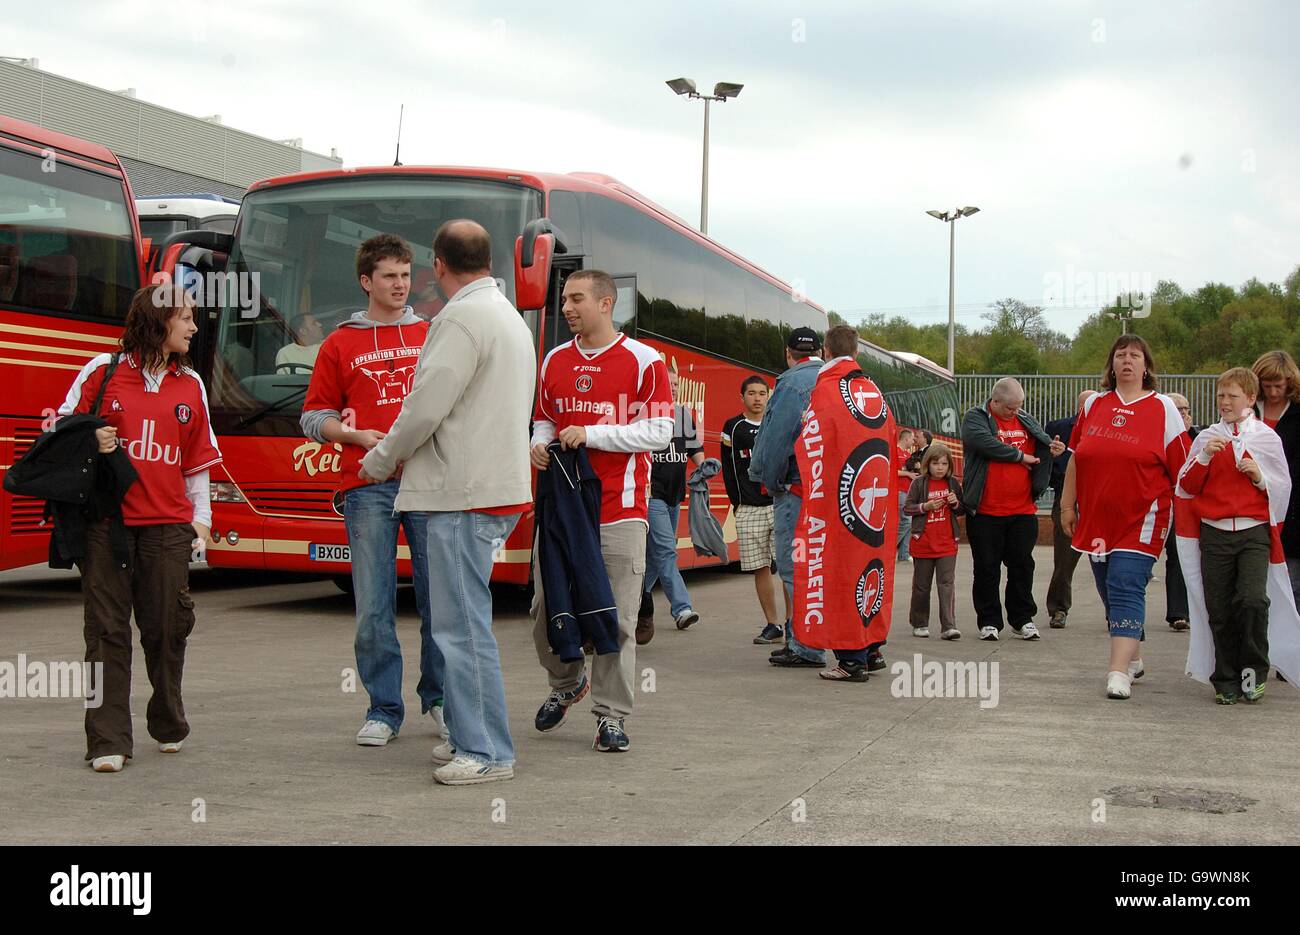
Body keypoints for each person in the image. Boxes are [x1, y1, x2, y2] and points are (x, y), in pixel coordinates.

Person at [360, 220, 535, 785]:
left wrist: (383, 457)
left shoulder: (458, 318)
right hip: (492, 488)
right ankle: (465, 732)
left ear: (438, 264)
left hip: (460, 491)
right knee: (463, 623)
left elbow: (425, 405)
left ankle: (486, 752)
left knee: (460, 629)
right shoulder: (507, 317)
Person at [58, 284, 221, 773]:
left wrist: (202, 520)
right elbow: (58, 433)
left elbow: (197, 461)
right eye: (185, 318)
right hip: (106, 525)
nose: (194, 327)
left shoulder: (190, 383)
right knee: (106, 631)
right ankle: (107, 740)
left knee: (168, 627)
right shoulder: (102, 372)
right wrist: (91, 434)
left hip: (169, 527)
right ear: (158, 322)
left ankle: (167, 718)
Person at [300, 234, 446, 749]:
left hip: (429, 482)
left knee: (440, 600)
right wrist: (352, 436)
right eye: (389, 276)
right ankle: (384, 709)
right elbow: (312, 417)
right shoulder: (339, 343)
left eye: (406, 275)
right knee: (374, 605)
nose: (401, 285)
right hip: (367, 485)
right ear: (367, 281)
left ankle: (439, 699)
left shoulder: (432, 333)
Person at [529, 269, 672, 753]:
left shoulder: (643, 361)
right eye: (564, 300)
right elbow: (545, 417)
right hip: (562, 509)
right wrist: (540, 442)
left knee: (619, 619)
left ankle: (611, 715)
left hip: (621, 508)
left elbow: (658, 432)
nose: (566, 308)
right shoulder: (553, 359)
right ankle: (567, 681)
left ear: (606, 303)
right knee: (544, 608)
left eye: (576, 299)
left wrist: (592, 434)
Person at [1060, 335, 1190, 699]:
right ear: (1111, 364)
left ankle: (1117, 672)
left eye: (1135, 356)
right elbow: (1077, 458)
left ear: (1146, 366)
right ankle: (1132, 656)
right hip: (1097, 517)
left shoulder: (1163, 408)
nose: (1127, 361)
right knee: (1107, 587)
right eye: (1120, 355)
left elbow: (1184, 467)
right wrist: (1067, 506)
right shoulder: (1094, 405)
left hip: (1145, 515)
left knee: (1124, 582)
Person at [1174, 368, 1291, 703]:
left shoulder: (1267, 439)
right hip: (1215, 534)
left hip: (1254, 532)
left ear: (1251, 399)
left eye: (1232, 395)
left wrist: (1259, 478)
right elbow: (1186, 487)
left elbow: (1282, 486)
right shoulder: (1205, 438)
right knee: (1220, 608)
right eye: (1221, 395)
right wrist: (1205, 456)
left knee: (1253, 600)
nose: (1224, 402)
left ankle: (1254, 668)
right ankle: (1224, 677)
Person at [790, 325, 897, 682]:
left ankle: (851, 660)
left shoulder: (825, 391)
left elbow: (810, 443)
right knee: (871, 571)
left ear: (824, 350)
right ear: (858, 353)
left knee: (837, 573)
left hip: (839, 507)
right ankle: (872, 648)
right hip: (873, 510)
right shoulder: (874, 392)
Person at [749, 327, 829, 669]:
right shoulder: (837, 381)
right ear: (821, 351)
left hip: (796, 491)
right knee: (824, 567)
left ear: (788, 353)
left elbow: (778, 439)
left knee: (795, 566)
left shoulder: (792, 383)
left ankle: (806, 646)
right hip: (832, 491)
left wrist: (768, 480)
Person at [960, 377, 1053, 641]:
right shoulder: (975, 418)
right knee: (987, 568)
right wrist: (1019, 456)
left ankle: (1022, 618)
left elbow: (1043, 444)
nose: (1015, 412)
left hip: (1022, 509)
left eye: (1019, 406)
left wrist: (1052, 449)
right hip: (986, 511)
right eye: (1010, 408)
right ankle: (989, 621)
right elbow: (985, 444)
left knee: (1023, 566)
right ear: (995, 401)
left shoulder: (1025, 419)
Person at [637, 370, 705, 643]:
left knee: (655, 556)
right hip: (652, 494)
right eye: (669, 384)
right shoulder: (644, 414)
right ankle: (682, 608)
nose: (674, 388)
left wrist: (705, 467)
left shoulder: (682, 414)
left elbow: (694, 450)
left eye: (677, 384)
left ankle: (634, 595)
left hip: (676, 495)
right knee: (666, 551)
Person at [721, 375, 787, 645]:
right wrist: (736, 504)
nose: (757, 398)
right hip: (749, 508)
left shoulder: (779, 423)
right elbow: (728, 469)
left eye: (762, 393)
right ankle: (773, 625)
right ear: (742, 397)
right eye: (752, 393)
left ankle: (794, 625)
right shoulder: (732, 428)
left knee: (787, 567)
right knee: (759, 567)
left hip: (778, 504)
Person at [1252, 350, 1300, 609]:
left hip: (1292, 513)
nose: (1272, 393)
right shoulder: (1248, 410)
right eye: (1266, 386)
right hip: (1252, 508)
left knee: (1292, 586)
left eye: (1278, 386)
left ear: (1290, 382)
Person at [904, 442, 965, 640]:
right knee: (922, 586)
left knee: (946, 584)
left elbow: (962, 509)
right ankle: (919, 622)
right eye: (936, 463)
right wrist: (925, 506)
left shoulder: (953, 483)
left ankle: (949, 625)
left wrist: (955, 503)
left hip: (947, 542)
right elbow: (907, 508)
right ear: (927, 464)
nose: (940, 467)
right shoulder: (919, 483)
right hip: (923, 542)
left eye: (944, 464)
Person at [1044, 391, 1094, 628]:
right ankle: (1058, 609)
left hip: (1100, 496)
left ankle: (1116, 611)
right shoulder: (1059, 427)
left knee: (1109, 560)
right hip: (1068, 496)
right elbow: (1049, 464)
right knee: (1064, 559)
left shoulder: (1109, 430)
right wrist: (1062, 455)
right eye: (1086, 405)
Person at [1162, 392, 1199, 631]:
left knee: (1188, 557)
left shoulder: (1201, 437)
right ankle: (1177, 613)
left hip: (1192, 505)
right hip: (1166, 504)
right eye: (1178, 410)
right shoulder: (1158, 437)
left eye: (1185, 409)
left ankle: (1188, 611)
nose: (1183, 414)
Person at [894, 428, 919, 562]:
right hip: (899, 490)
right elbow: (893, 471)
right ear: (906, 438)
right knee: (906, 520)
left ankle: (904, 553)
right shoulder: (895, 451)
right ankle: (891, 546)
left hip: (908, 491)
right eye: (912, 438)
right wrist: (908, 474)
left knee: (910, 521)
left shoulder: (908, 454)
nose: (913, 441)